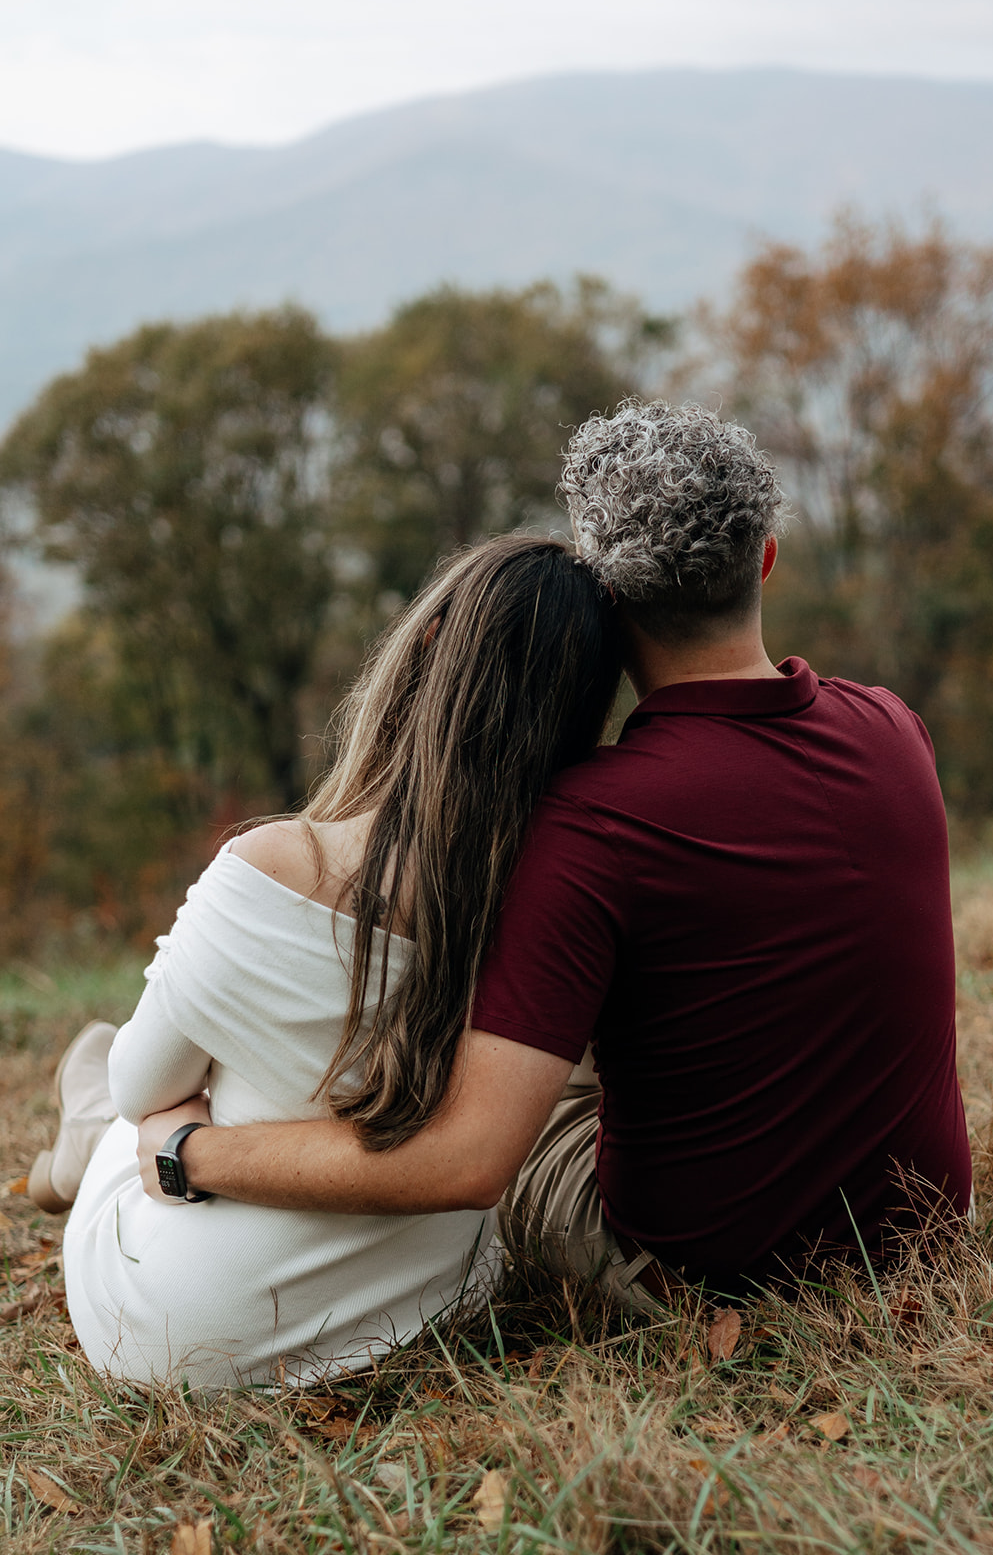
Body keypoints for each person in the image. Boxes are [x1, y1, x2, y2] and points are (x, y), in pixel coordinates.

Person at [129, 398, 972, 1307]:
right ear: (764, 556)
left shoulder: (591, 823)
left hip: (704, 1271)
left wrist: (190, 1151)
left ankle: (108, 1115)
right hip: (917, 1229)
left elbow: (465, 1164)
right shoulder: (892, 728)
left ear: (600, 598)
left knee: (485, 1096)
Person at [33, 534, 623, 1388]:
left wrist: (183, 1131)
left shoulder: (276, 865)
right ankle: (89, 1120)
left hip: (177, 1334)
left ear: (425, 647)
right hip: (424, 1314)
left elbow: (145, 1093)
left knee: (124, 1096)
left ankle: (82, 1125)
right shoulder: (568, 902)